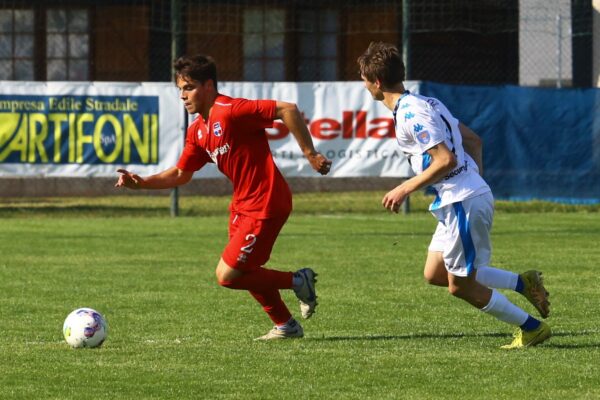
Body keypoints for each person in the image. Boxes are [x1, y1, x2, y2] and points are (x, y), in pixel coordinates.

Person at [116, 54, 332, 340]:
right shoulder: (198, 131)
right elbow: (181, 173)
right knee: (247, 270)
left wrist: (311, 154)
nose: (183, 95)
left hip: (266, 200)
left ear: (208, 86)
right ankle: (285, 325)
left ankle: (297, 280)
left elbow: (287, 109)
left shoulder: (230, 110)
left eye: (189, 87)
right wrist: (141, 183)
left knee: (226, 275)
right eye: (180, 89)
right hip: (242, 205)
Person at [357, 42, 551, 349]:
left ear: (376, 82)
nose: (364, 85)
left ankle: (531, 328)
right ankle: (521, 283)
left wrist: (405, 188)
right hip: (463, 197)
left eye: (364, 79)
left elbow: (445, 159)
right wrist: (474, 184)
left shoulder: (410, 114)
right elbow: (473, 140)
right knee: (435, 272)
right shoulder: (428, 102)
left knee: (459, 286)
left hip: (462, 200)